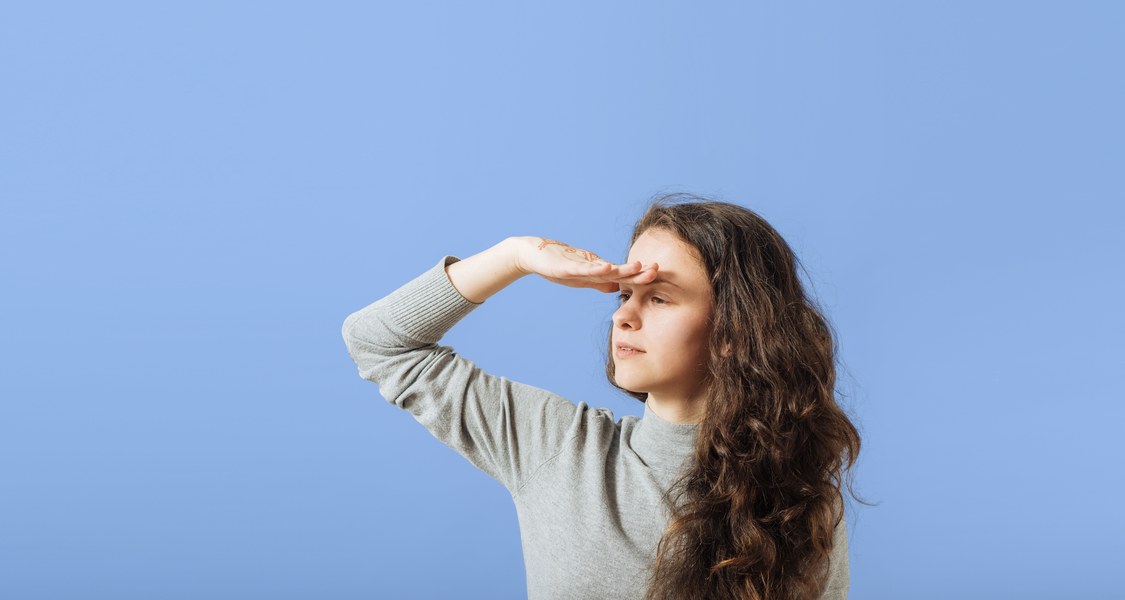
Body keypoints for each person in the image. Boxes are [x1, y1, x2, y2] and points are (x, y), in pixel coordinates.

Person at [341, 193, 862, 599]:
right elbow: (378, 341)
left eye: (658, 298)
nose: (622, 316)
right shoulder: (555, 444)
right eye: (625, 294)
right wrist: (517, 255)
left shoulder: (803, 499)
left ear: (733, 331)